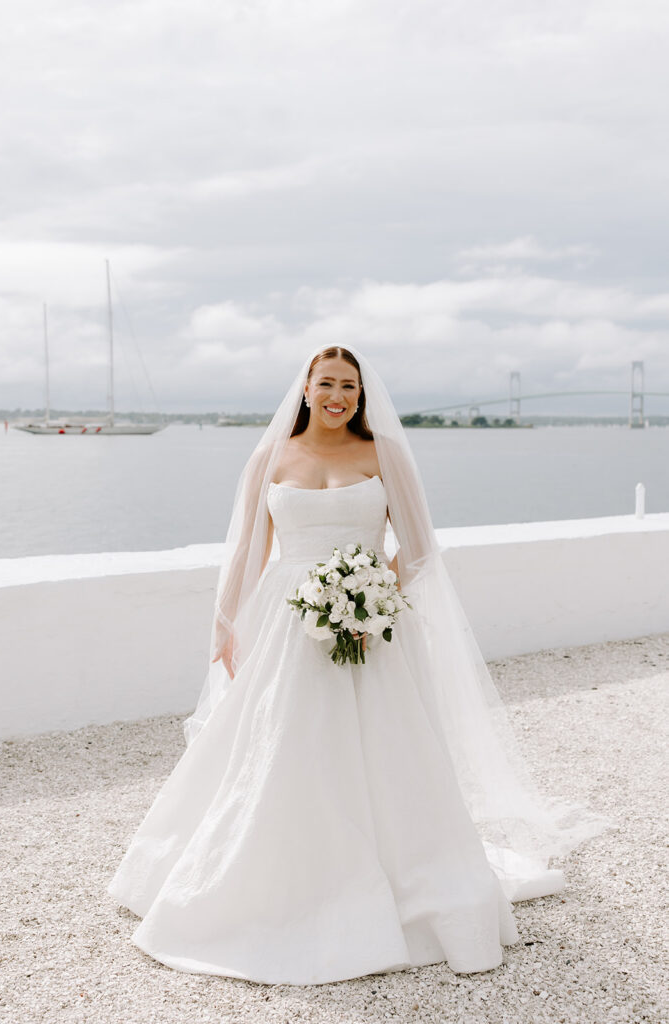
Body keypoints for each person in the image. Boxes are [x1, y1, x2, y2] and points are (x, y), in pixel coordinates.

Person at [107, 344, 604, 985]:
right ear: (306, 389)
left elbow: (419, 549)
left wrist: (371, 603)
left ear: (361, 395)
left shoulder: (383, 454)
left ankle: (399, 881)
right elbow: (247, 553)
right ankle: (279, 883)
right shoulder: (271, 456)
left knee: (385, 753)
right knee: (285, 748)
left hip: (374, 631)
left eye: (350, 386)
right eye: (327, 384)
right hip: (290, 627)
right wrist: (224, 626)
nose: (338, 396)